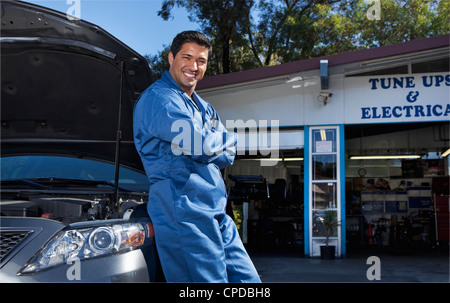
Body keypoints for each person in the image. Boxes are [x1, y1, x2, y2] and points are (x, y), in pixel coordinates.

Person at [133, 31, 261, 283]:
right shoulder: (159, 99)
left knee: (248, 281)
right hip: (183, 209)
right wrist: (228, 138)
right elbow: (200, 143)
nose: (193, 66)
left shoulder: (204, 106)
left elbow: (226, 157)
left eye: (201, 61)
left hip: (216, 209)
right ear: (171, 58)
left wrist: (214, 143)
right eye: (187, 57)